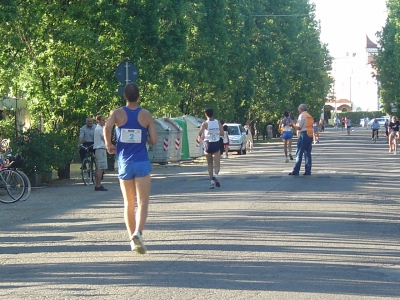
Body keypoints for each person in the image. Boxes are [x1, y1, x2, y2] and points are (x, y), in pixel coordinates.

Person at [104, 82, 157, 254]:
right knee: (143, 202)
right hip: (141, 162)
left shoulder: (117, 113)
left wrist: (109, 144)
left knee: (128, 203)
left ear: (124, 96)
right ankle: (138, 233)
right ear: (139, 96)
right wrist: (145, 136)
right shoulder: (146, 115)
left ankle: (132, 241)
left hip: (124, 163)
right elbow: (154, 141)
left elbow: (106, 126)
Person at [198, 108, 224, 189]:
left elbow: (199, 133)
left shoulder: (205, 123)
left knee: (209, 164)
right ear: (213, 114)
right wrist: (217, 133)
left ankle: (212, 183)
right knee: (217, 164)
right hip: (216, 143)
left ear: (206, 115)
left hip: (207, 144)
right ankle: (215, 176)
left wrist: (200, 137)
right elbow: (222, 133)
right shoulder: (218, 122)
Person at [289, 104, 313, 176]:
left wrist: (293, 125)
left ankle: (296, 170)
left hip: (303, 134)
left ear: (301, 109)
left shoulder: (302, 115)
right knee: (307, 153)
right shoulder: (309, 116)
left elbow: (299, 127)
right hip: (310, 134)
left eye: (299, 109)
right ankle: (308, 170)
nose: (298, 111)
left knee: (299, 152)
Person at [93, 115, 108, 191]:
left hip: (100, 149)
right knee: (100, 168)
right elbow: (104, 138)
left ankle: (98, 184)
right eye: (102, 120)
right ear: (98, 121)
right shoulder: (99, 129)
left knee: (99, 168)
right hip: (100, 149)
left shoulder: (99, 128)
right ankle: (98, 185)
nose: (104, 122)